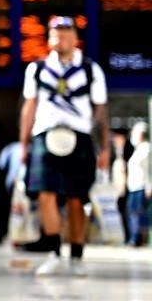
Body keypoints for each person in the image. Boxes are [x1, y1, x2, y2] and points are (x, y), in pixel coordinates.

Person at [20, 16, 109, 277]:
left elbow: (100, 110)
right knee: (45, 195)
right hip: (45, 136)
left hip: (78, 137)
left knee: (76, 198)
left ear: (74, 37)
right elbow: (29, 107)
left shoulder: (91, 70)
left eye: (65, 33)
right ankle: (55, 252)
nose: (60, 38)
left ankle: (77, 256)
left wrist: (104, 148)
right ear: (49, 38)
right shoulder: (36, 70)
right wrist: (24, 143)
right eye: (55, 33)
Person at [125, 122, 150, 247]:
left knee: (137, 214)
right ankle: (135, 238)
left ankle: (136, 240)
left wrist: (149, 186)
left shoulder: (146, 149)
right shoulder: (138, 149)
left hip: (141, 187)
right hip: (134, 187)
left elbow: (148, 169)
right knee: (133, 213)